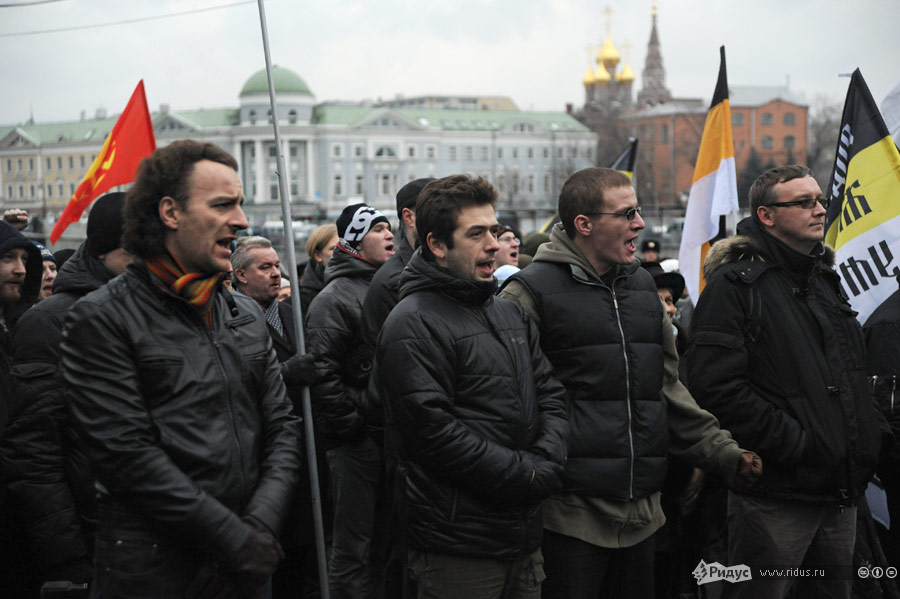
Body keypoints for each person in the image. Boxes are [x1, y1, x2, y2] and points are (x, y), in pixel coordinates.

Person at [499, 167, 760, 599]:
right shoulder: (528, 295)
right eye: (626, 213)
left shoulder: (642, 287)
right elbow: (511, 405)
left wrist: (723, 452)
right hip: (567, 519)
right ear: (584, 224)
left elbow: (667, 390)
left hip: (644, 517)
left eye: (637, 211)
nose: (640, 223)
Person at [59, 140, 303, 598]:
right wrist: (232, 537)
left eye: (240, 204)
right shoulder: (102, 318)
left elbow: (282, 425)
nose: (242, 221)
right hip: (154, 573)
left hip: (248, 564)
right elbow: (128, 456)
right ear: (170, 212)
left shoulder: (244, 313)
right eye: (222, 205)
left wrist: (260, 523)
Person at [687, 164, 882, 599]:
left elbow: (849, 375)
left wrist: (867, 437)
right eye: (803, 202)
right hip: (778, 493)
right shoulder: (735, 287)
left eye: (820, 200)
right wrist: (798, 444)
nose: (819, 210)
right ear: (766, 216)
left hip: (839, 490)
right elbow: (715, 387)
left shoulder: (823, 280)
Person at [375, 174, 569, 599]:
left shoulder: (508, 313)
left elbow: (550, 393)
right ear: (437, 245)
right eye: (476, 234)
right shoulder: (412, 322)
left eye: (495, 232)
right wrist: (527, 472)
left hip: (521, 537)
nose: (494, 245)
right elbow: (433, 432)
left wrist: (548, 458)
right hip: (457, 547)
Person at [1, 192, 131, 595]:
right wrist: (67, 556)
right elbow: (35, 451)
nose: (22, 271)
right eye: (9, 259)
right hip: (79, 536)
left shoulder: (153, 309)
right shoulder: (49, 323)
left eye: (25, 260)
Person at [307, 203, 394, 599]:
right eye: (377, 229)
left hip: (387, 436)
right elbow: (321, 373)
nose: (389, 235)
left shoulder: (389, 287)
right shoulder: (333, 299)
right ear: (356, 240)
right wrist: (354, 426)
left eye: (389, 227)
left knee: (385, 543)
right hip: (356, 444)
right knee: (352, 546)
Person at [230, 235, 321, 599]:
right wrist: (285, 373)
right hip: (261, 453)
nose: (275, 275)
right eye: (264, 268)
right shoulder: (231, 319)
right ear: (240, 275)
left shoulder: (292, 313)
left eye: (276, 267)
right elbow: (239, 382)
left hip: (302, 444)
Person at [359, 177, 432, 598]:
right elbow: (395, 372)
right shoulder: (395, 281)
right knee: (403, 552)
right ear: (410, 217)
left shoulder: (426, 267)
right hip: (406, 439)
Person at [300, 224, 338, 318]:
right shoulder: (302, 299)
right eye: (334, 248)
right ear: (318, 256)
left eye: (345, 246)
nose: (342, 252)